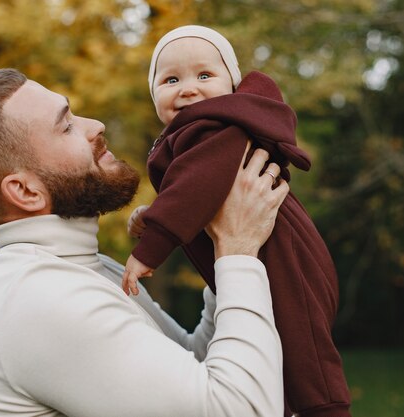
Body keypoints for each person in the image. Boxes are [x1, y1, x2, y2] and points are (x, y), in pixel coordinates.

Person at [0, 68, 290, 416]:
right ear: (25, 191)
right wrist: (238, 253)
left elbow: (195, 362)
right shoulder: (41, 299)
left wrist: (220, 242)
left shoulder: (79, 271)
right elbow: (240, 410)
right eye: (66, 125)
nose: (95, 126)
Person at [122, 25, 351, 417]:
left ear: (232, 84)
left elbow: (197, 183)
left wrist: (152, 246)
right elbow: (197, 193)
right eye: (171, 79)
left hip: (285, 254)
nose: (188, 88)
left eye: (204, 75)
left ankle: (328, 408)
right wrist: (154, 214)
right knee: (278, 345)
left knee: (303, 348)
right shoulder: (199, 131)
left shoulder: (217, 127)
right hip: (273, 251)